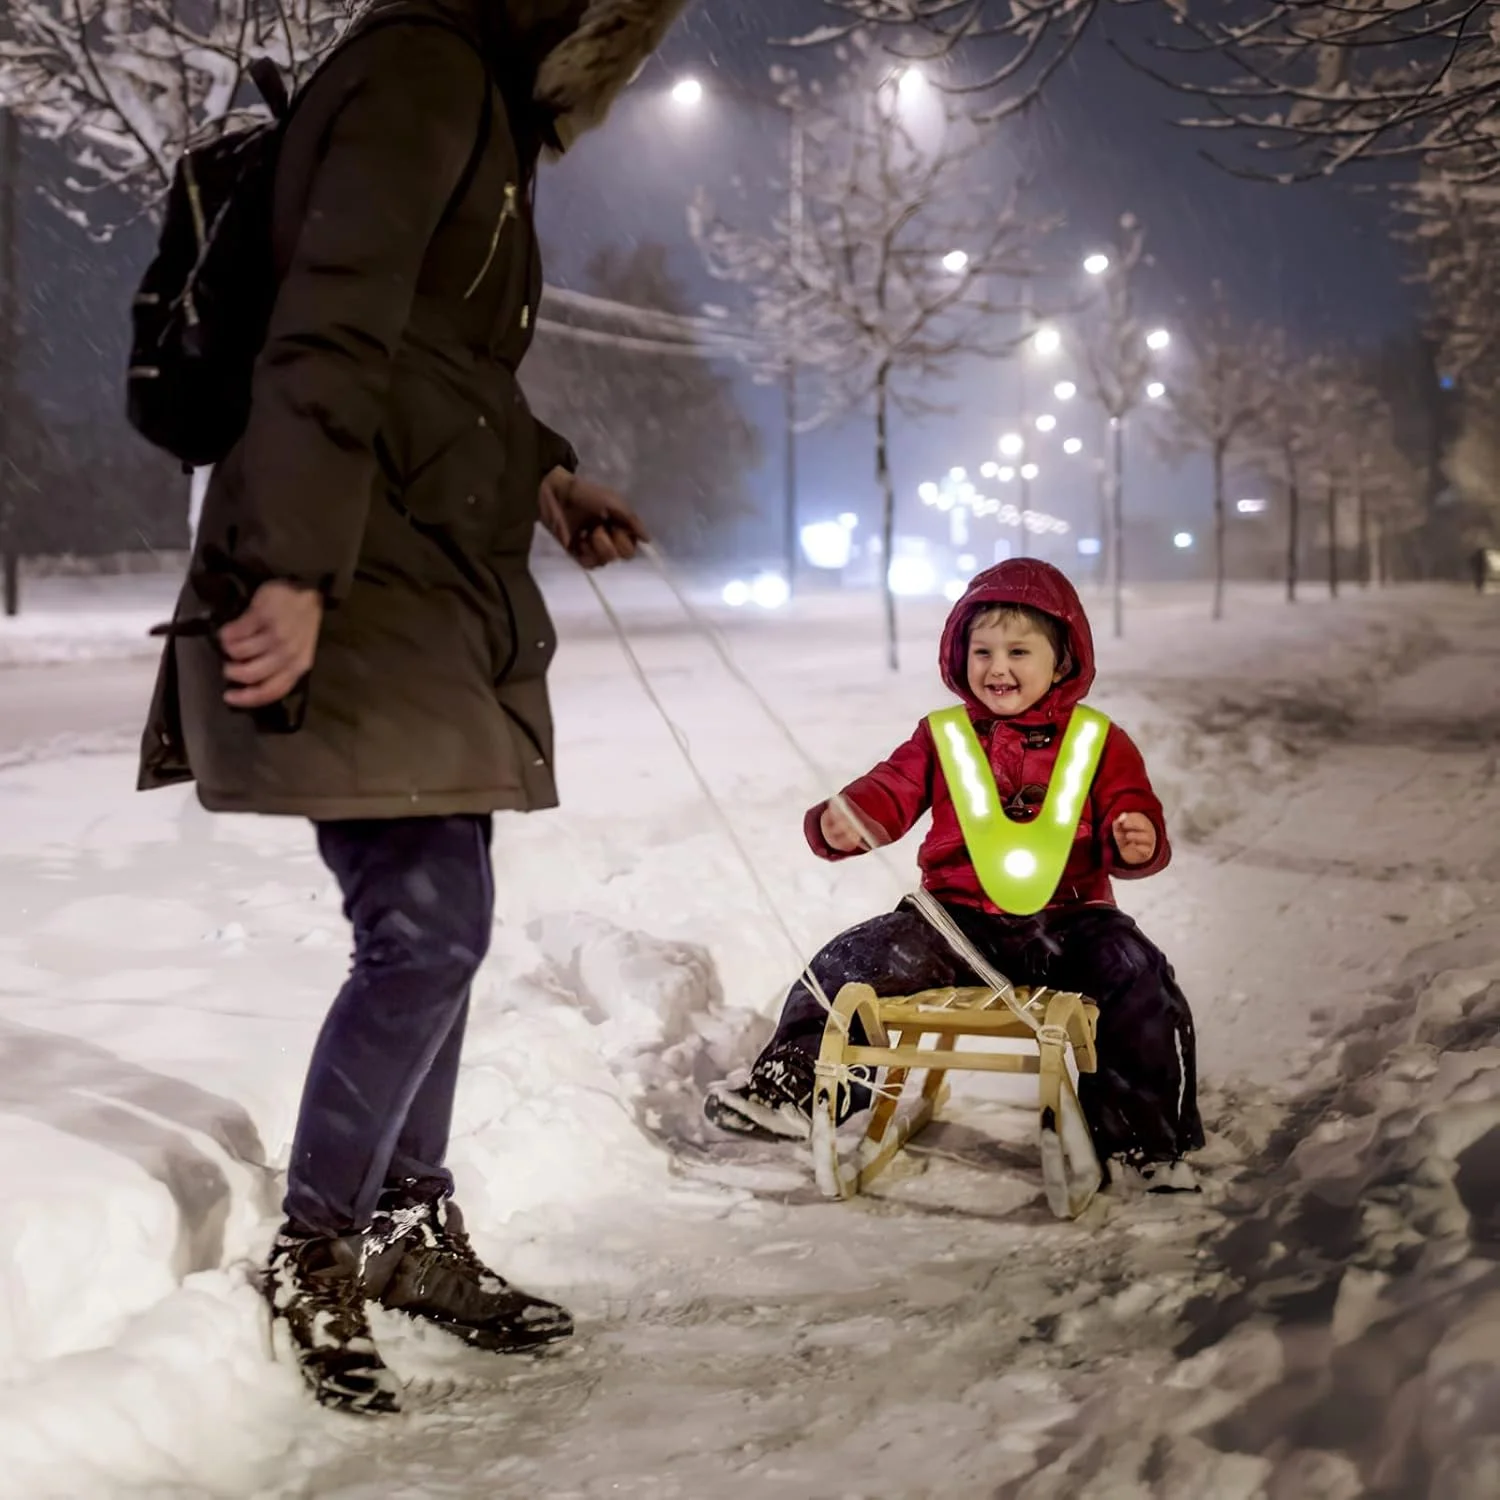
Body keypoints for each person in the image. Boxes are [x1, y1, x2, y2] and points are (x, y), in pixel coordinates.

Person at [138, 0, 687, 1414]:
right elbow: (329, 323)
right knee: (425, 928)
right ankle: (317, 1254)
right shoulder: (420, 68)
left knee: (444, 924)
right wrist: (297, 568)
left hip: (422, 583)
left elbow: (444, 363)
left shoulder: (476, 102)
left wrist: (550, 474)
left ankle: (404, 1229)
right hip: (355, 577)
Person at [705, 559, 1204, 1192]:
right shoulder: (943, 737)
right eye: (983, 651)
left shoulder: (1098, 741)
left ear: (1062, 661)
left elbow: (1131, 803)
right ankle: (795, 1088)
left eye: (1019, 651)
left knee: (1139, 977)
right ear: (958, 656)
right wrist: (855, 818)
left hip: (1075, 920)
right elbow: (895, 787)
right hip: (955, 923)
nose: (998, 668)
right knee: (852, 960)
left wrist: (1136, 836)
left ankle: (1141, 1141)